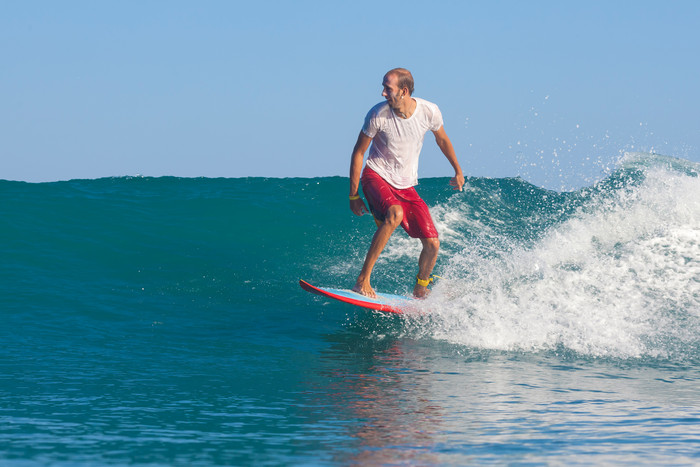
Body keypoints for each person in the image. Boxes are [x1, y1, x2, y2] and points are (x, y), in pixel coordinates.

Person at [349, 68, 464, 298]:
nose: (382, 93)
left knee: (432, 243)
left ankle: (420, 289)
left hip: (405, 184)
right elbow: (359, 153)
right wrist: (353, 195)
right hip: (376, 175)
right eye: (383, 87)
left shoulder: (429, 111)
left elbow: (442, 139)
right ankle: (362, 280)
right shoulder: (377, 115)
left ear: (404, 91)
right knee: (395, 213)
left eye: (387, 89)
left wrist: (457, 170)